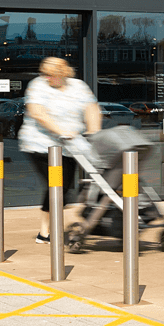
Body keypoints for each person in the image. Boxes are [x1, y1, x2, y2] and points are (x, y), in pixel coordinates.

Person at [20, 56, 100, 244]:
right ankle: (44, 232)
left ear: (62, 73)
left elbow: (91, 109)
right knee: (56, 184)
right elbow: (37, 112)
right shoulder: (38, 85)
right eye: (44, 74)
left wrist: (94, 131)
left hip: (71, 146)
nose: (46, 77)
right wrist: (61, 131)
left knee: (64, 189)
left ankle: (51, 226)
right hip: (39, 144)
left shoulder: (78, 86)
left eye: (50, 74)